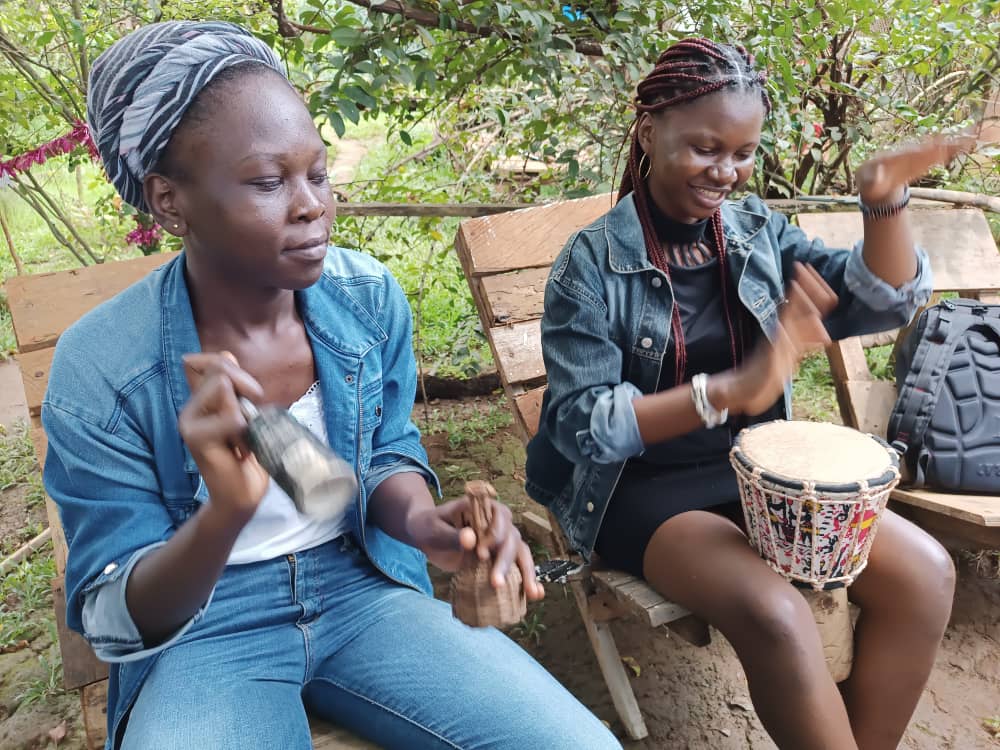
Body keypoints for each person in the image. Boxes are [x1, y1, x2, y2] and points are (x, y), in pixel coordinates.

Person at [42, 21, 622, 750]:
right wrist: (223, 515)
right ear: (168, 201)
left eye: (316, 174)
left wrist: (426, 524)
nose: (312, 204)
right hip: (206, 636)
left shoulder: (365, 299)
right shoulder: (104, 365)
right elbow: (112, 614)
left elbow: (383, 454)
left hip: (360, 592)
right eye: (266, 182)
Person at [525, 38, 968, 750]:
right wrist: (732, 389)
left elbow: (877, 300)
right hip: (637, 488)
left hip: (759, 478)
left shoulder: (756, 230)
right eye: (706, 148)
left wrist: (885, 199)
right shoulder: (591, 263)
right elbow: (584, 428)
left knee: (924, 573)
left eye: (741, 152)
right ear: (649, 131)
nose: (725, 172)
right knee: (776, 613)